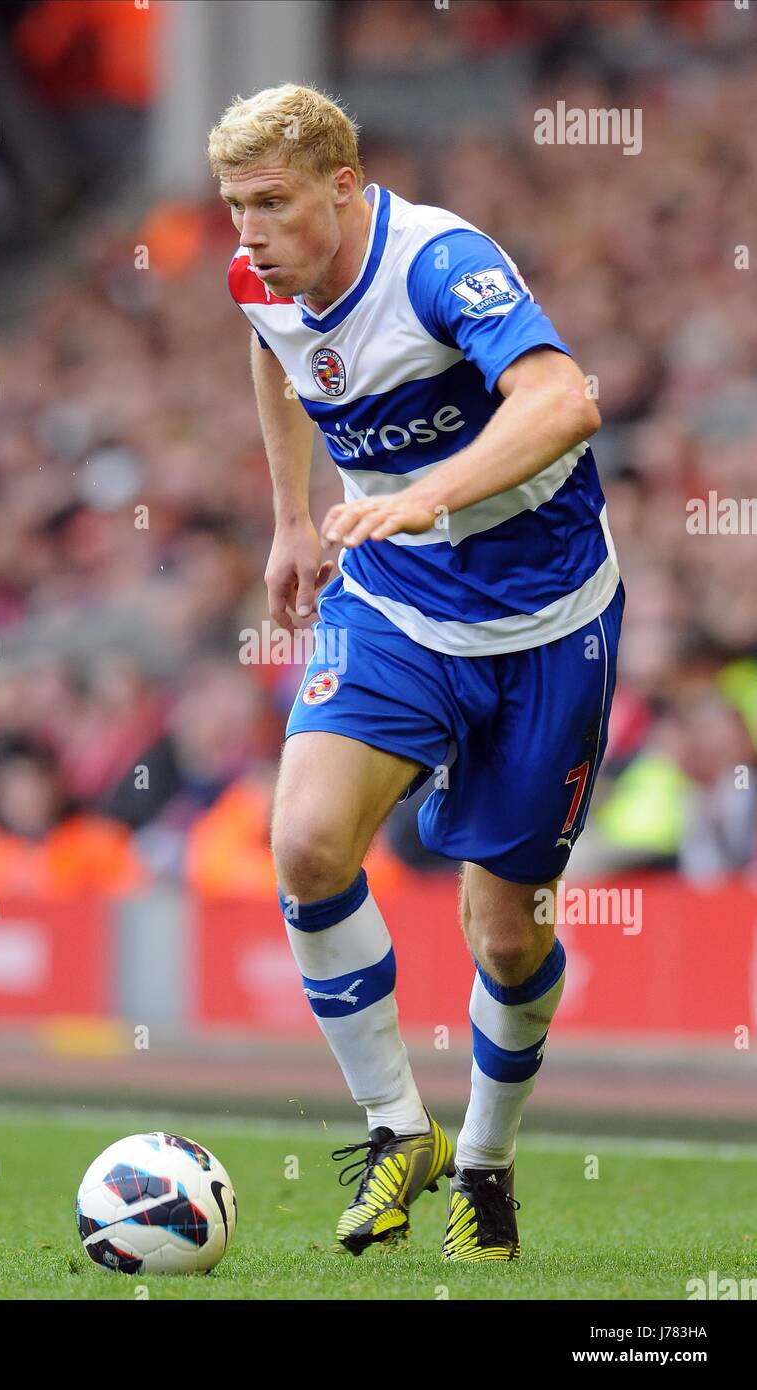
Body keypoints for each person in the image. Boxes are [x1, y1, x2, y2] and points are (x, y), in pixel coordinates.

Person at [208, 83, 623, 1262]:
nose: (249, 233)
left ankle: (484, 1163)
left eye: (273, 203)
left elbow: (565, 398)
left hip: (548, 621)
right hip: (392, 608)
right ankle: (399, 1130)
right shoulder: (261, 275)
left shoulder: (442, 263)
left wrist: (425, 496)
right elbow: (278, 357)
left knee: (505, 937)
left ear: (345, 187)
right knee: (303, 843)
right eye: (235, 206)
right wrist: (293, 517)